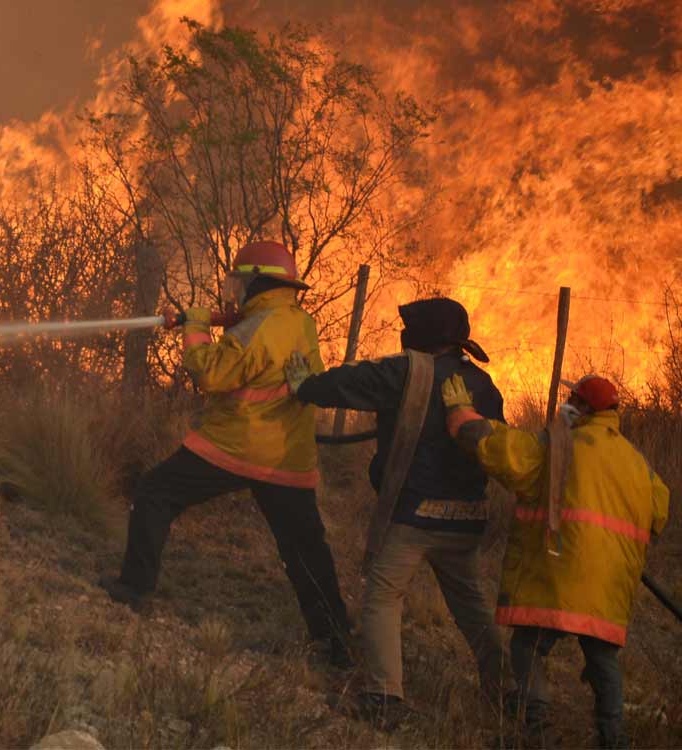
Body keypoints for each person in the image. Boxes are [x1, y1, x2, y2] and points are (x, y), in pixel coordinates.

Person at [100, 240, 352, 668]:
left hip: (237, 445)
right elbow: (265, 357)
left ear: (257, 282)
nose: (235, 291)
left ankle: (133, 588)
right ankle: (336, 641)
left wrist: (196, 328)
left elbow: (213, 374)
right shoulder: (298, 321)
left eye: (240, 283)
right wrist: (231, 321)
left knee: (155, 493)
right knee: (305, 549)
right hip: (287, 455)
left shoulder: (256, 327)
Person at [283, 297, 507, 729]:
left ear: (425, 334)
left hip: (417, 516)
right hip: (467, 518)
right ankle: (507, 689)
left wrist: (305, 386)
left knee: (383, 596)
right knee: (470, 604)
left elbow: (350, 381)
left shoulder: (407, 370)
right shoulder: (482, 383)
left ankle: (384, 697)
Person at [441, 373, 670, 749]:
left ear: (583, 408)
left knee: (527, 647)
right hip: (610, 584)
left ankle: (538, 728)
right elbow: (659, 512)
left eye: (573, 400)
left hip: (559, 574)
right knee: (602, 657)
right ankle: (614, 739)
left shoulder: (557, 445)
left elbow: (503, 451)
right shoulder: (638, 464)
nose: (567, 406)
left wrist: (461, 414)